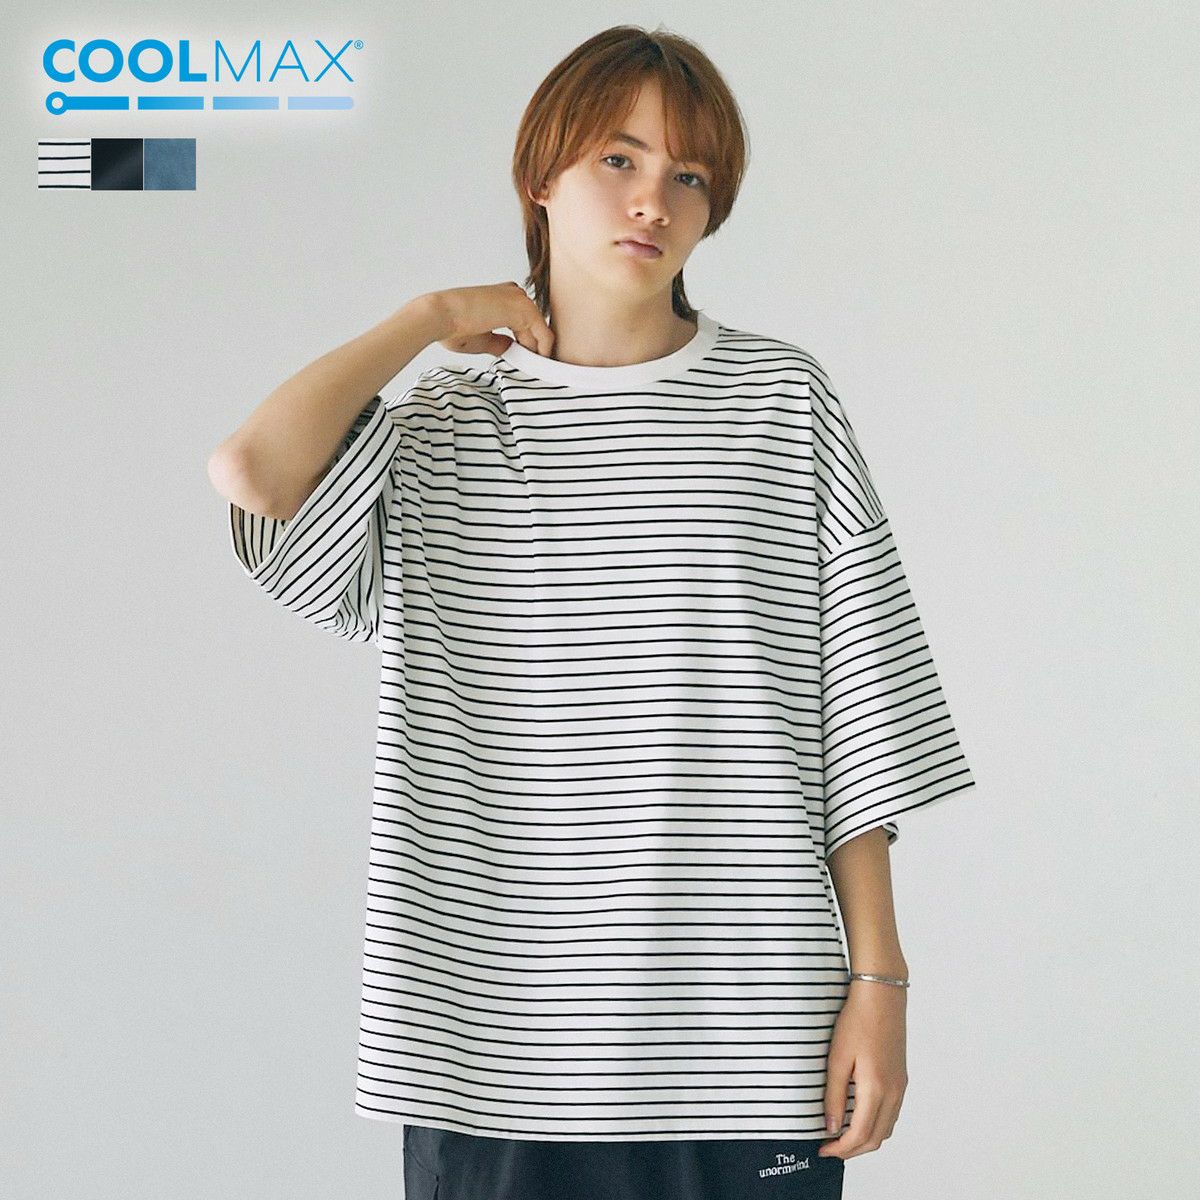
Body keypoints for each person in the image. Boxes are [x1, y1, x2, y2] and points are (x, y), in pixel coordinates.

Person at [208, 23, 976, 1200]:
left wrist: (882, 983)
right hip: (490, 1050)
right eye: (619, 159)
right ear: (541, 175)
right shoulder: (444, 428)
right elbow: (253, 473)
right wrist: (426, 315)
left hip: (748, 1037)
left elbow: (856, 714)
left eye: (690, 175)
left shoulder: (781, 402)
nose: (654, 200)